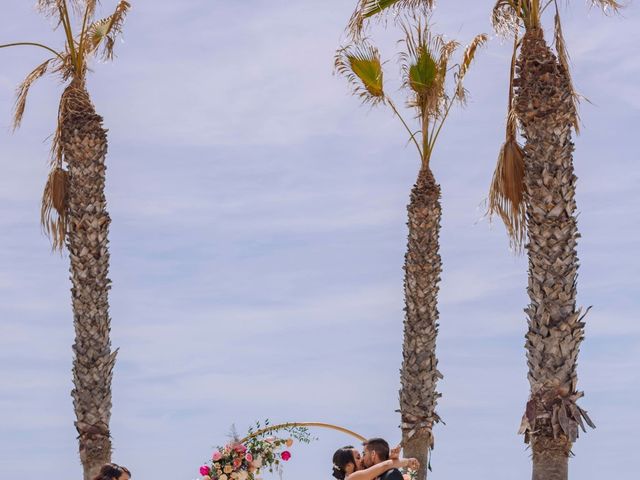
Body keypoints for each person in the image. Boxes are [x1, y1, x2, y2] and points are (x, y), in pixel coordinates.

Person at [332, 443, 418, 480]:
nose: (362, 459)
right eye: (358, 458)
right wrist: (408, 461)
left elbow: (383, 468)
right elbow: (385, 466)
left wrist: (393, 459)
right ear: (349, 466)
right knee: (391, 474)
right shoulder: (352, 478)